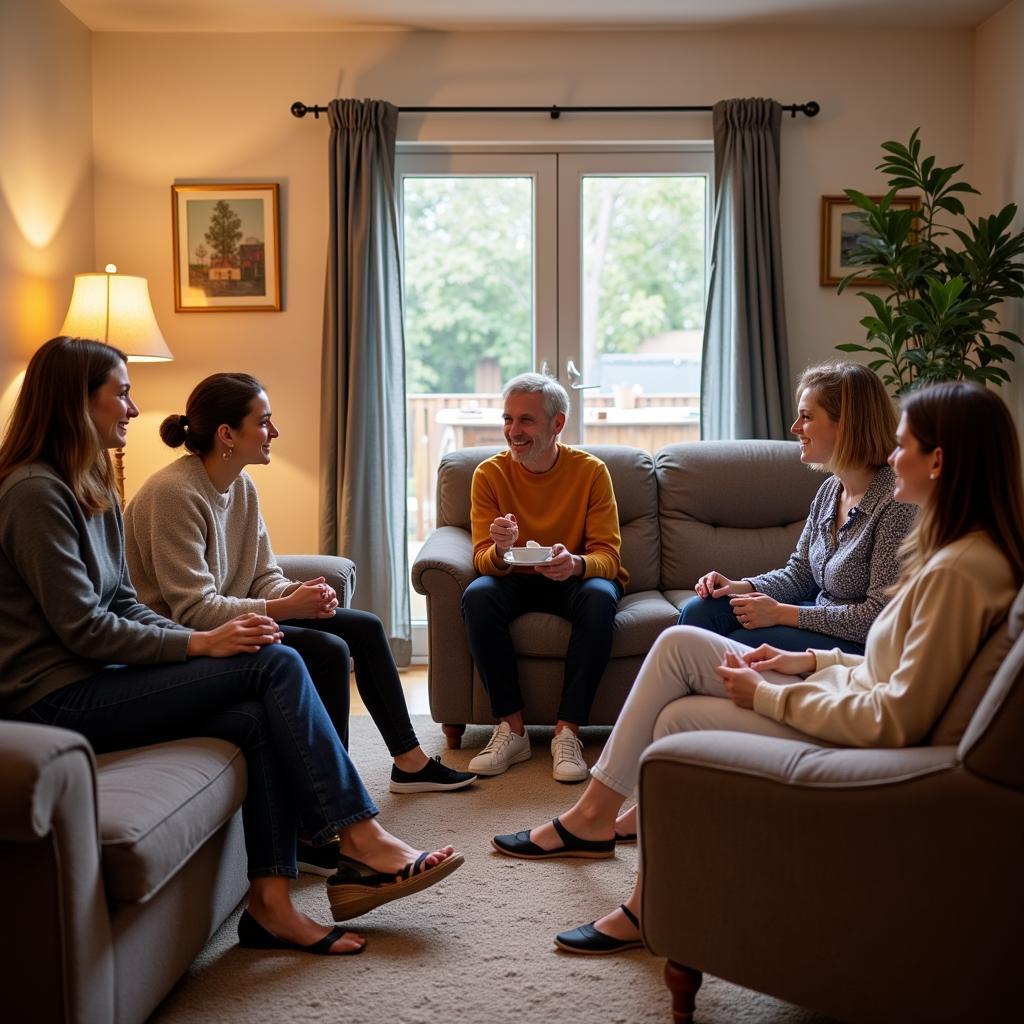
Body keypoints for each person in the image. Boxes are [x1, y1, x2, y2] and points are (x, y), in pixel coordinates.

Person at [492, 380, 1024, 955]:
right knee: (683, 647)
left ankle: (629, 875)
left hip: (860, 745)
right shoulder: (954, 552)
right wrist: (807, 655)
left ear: (938, 461)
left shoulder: (954, 571)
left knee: (679, 713)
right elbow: (885, 663)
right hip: (837, 682)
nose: (893, 460)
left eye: (902, 447)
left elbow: (890, 715)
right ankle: (605, 832)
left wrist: (767, 695)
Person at [0, 337, 463, 958]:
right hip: (53, 698)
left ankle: (270, 906)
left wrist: (213, 637)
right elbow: (84, 628)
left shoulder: (93, 485)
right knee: (275, 661)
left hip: (100, 673)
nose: (134, 410)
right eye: (122, 393)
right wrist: (201, 642)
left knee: (256, 711)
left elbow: (127, 602)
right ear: (75, 402)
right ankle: (359, 837)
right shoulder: (34, 492)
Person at [123, 372, 475, 876]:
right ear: (227, 434)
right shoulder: (174, 495)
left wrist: (297, 594)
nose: (274, 432)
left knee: (363, 626)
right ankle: (320, 825)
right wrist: (286, 609)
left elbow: (263, 575)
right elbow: (193, 611)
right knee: (329, 651)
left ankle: (408, 761)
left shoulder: (238, 487)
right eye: (263, 422)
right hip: (192, 641)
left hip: (236, 621)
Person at [680, 362, 916, 656]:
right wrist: (740, 586)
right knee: (702, 610)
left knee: (742, 642)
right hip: (818, 617)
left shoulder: (895, 500)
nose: (795, 428)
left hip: (859, 644)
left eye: (806, 417)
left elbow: (879, 617)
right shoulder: (831, 491)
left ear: (846, 424)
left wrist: (781, 614)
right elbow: (800, 575)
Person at [461, 372, 627, 783]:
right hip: (514, 580)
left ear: (557, 424)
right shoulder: (489, 474)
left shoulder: (590, 472)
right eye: (507, 419)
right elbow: (482, 558)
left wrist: (575, 564)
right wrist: (501, 549)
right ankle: (512, 729)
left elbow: (608, 555)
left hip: (573, 578)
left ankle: (567, 732)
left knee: (600, 597)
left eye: (526, 421)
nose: (513, 432)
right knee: (478, 595)